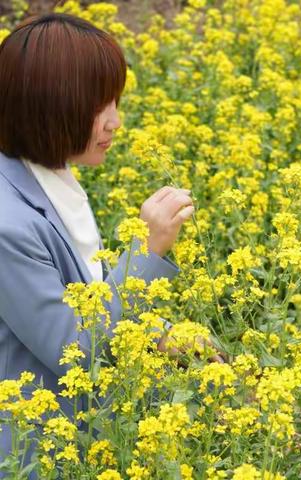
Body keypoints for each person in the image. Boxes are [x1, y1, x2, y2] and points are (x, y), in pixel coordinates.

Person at [0, 11, 218, 469]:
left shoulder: (48, 177)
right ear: (51, 105)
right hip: (33, 457)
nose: (115, 122)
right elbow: (74, 348)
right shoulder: (7, 222)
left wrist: (161, 337)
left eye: (115, 101)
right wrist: (148, 247)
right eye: (101, 105)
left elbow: (82, 297)